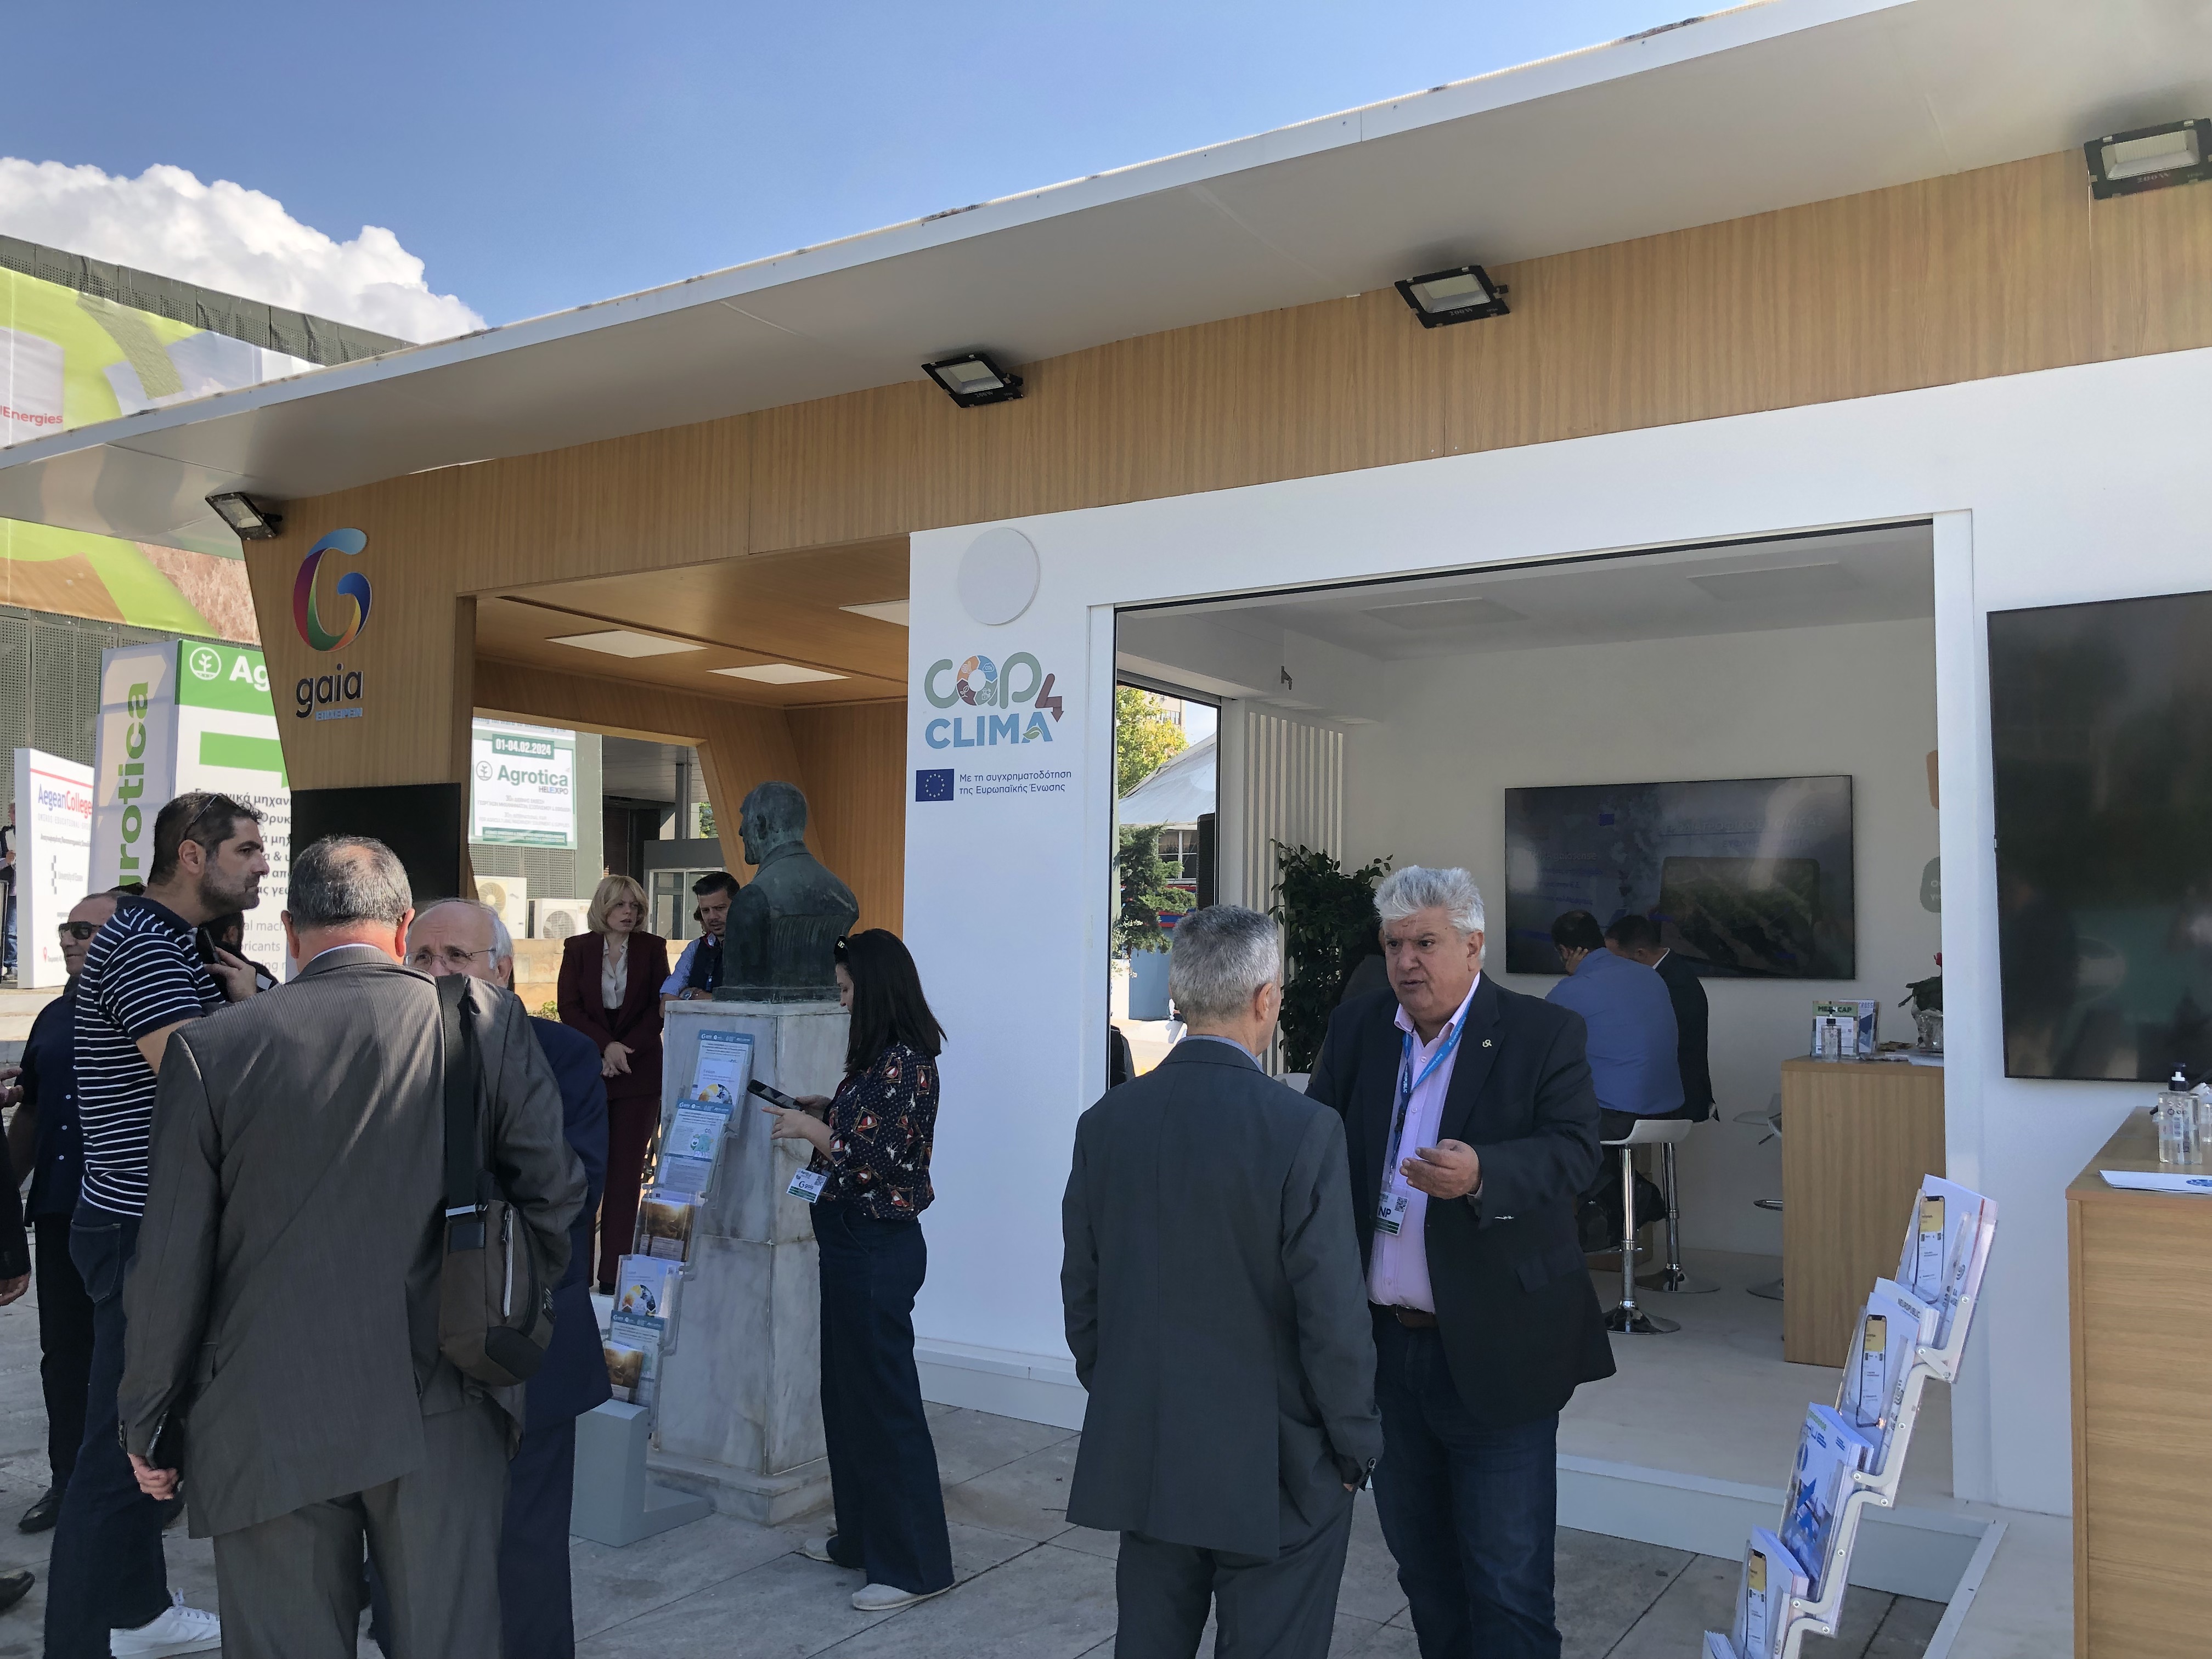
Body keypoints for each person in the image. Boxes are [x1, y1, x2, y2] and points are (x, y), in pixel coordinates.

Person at [116, 836, 585, 1659]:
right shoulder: (483, 1020)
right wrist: (501, 1318)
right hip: (444, 1392)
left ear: (290, 931)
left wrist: (147, 1416)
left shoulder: (210, 1048)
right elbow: (554, 1195)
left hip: (264, 1410)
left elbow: (169, 1259)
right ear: (404, 928)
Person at [1306, 866, 1614, 1659]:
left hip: (1495, 1347)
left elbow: (1577, 1153)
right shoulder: (1360, 1027)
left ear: (1475, 947)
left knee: (1508, 1583)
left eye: (1426, 943)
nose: (1406, 962)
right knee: (1425, 1570)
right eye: (1394, 945)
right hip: (1384, 1351)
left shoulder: (1542, 1033)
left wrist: (1485, 1175)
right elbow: (1315, 1146)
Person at [1062, 905, 1383, 1659]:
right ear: (1266, 999)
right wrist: (1354, 1444)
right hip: (1278, 1463)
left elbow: (1085, 1295)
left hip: (1151, 1447)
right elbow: (1332, 1314)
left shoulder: (1107, 1122)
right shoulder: (1303, 1129)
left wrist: (1129, 1397)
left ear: (1178, 996)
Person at [49, 792, 269, 1659]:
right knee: (121, 1453)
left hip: (154, 1224)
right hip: (142, 1232)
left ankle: (137, 1613)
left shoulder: (179, 942)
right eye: (246, 849)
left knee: (149, 1445)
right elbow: (199, 1078)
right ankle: (77, 1643)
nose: (261, 865)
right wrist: (254, 1012)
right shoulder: (143, 944)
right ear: (192, 854)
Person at [407, 898, 610, 1659]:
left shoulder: (564, 1055)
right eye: (423, 957)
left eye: (457, 957)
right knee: (420, 1550)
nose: (438, 972)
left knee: (525, 1545)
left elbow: (572, 1190)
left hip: (529, 1331)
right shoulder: (387, 1052)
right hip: (413, 1343)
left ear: (503, 970)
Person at [759, 929, 953, 1612]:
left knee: (883, 1404)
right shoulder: (882, 1060)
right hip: (850, 1242)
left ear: (873, 990)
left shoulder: (906, 1062)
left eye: (846, 991)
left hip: (875, 1246)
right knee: (847, 1398)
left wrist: (815, 1131)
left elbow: (881, 1160)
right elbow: (869, 1132)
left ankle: (915, 1566)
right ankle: (864, 1539)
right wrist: (829, 1110)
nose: (842, 1002)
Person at [0, 888, 119, 1533]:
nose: (71, 939)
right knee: (66, 1355)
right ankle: (68, 1481)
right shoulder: (51, 1016)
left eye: (85, 929)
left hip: (130, 1216)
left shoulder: (153, 1009)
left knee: (132, 1355)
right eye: (67, 929)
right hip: (58, 1212)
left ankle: (145, 1483)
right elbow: (34, 1111)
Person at [557, 873, 669, 1291]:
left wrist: (624, 1050)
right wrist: (606, 1047)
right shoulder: (578, 948)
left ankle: (613, 1278)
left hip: (638, 1075)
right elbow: (569, 1008)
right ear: (602, 908)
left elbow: (658, 1009)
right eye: (621, 904)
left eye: (635, 906)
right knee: (586, 1174)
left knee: (626, 1177)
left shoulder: (653, 948)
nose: (629, 913)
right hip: (591, 1071)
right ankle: (578, 1276)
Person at [1545, 911, 1683, 1140]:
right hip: (1671, 1111)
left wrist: (1573, 978)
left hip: (1617, 1118)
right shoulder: (1651, 976)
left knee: (1540, 1108)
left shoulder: (1571, 990)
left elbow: (1542, 1050)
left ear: (1565, 951)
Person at [1605, 915, 1712, 1121]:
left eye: (1616, 959)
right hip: (1656, 1090)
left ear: (1640, 954)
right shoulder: (1659, 975)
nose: (1611, 967)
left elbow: (1650, 1043)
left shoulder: (1677, 986)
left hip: (1676, 1096)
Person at [661, 870, 738, 1004]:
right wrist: (698, 996)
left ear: (739, 905)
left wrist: (693, 995)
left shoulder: (759, 947)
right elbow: (667, 1003)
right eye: (706, 910)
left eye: (720, 908)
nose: (712, 917)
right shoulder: (695, 948)